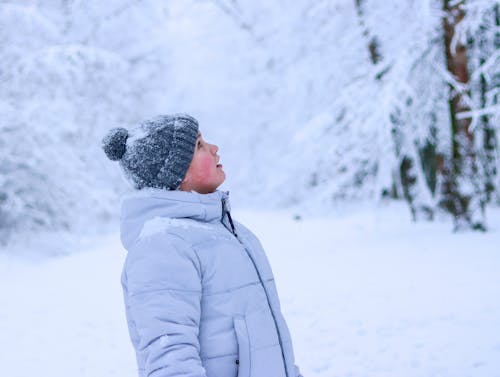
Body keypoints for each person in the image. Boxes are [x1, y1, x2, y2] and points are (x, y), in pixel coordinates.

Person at [102, 114, 303, 377]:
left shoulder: (232, 232)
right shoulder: (163, 247)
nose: (214, 148)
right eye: (199, 146)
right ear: (176, 173)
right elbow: (170, 360)